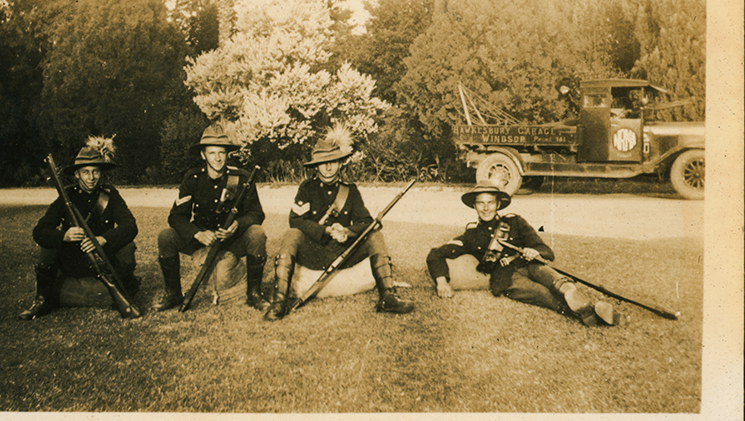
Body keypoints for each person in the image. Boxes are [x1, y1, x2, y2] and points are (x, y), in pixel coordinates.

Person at [264, 126, 415, 321]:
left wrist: (348, 232)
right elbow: (295, 220)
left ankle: (388, 297)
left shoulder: (350, 190)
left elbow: (367, 222)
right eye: (323, 163)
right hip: (314, 252)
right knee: (291, 234)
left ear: (340, 164)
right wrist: (325, 230)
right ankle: (279, 303)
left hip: (343, 251)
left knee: (375, 234)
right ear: (315, 166)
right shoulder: (307, 188)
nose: (328, 167)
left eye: (333, 162)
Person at [425, 181, 614, 327]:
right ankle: (587, 311)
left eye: (490, 202)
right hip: (507, 278)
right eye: (480, 203)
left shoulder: (514, 222)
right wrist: (441, 281)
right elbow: (435, 254)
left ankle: (569, 291)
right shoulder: (471, 234)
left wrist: (534, 251)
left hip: (529, 265)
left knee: (548, 275)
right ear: (474, 206)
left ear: (498, 204)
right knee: (542, 294)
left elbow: (545, 251)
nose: (485, 208)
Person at [20, 136, 140, 320]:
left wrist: (103, 239)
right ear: (77, 174)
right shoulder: (66, 196)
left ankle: (118, 295)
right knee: (48, 245)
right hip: (74, 261)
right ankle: (42, 301)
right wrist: (64, 236)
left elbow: (130, 226)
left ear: (101, 173)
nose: (91, 178)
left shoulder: (110, 194)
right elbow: (40, 231)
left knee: (127, 247)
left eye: (96, 172)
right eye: (85, 172)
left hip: (103, 259)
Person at [153, 123, 268, 311]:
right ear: (203, 155)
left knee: (257, 233)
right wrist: (197, 233)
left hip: (232, 239)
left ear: (227, 154)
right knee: (166, 236)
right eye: (212, 153)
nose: (217, 158)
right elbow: (176, 217)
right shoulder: (192, 179)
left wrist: (237, 225)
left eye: (221, 153)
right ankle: (173, 294)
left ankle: (254, 293)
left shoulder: (241, 178)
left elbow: (257, 213)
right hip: (202, 239)